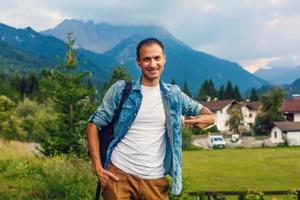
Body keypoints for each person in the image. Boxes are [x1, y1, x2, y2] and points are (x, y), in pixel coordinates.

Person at [87, 38, 214, 200]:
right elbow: (93, 124)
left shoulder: (174, 95)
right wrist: (97, 167)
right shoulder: (121, 91)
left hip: (155, 180)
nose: (152, 64)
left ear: (164, 59)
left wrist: (207, 120)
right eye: (146, 59)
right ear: (138, 62)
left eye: (157, 58)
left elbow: (208, 115)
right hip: (119, 176)